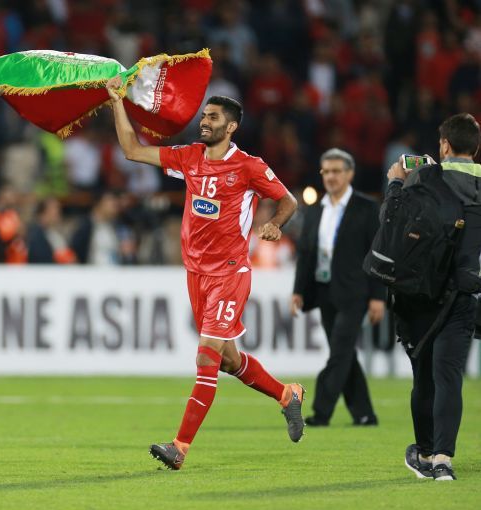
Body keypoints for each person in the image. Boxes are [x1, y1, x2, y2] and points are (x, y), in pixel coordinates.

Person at [105, 76, 304, 471]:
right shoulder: (189, 157)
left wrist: (275, 224)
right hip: (196, 274)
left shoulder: (249, 166)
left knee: (207, 355)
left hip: (230, 272)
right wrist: (115, 102)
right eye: (204, 116)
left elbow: (288, 201)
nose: (204, 121)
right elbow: (132, 149)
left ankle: (179, 447)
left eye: (213, 117)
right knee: (228, 360)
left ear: (231, 127)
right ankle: (287, 394)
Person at [388, 113, 481, 482]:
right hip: (464, 293)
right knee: (449, 377)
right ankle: (443, 460)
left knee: (424, 378)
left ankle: (425, 453)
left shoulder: (426, 177)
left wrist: (396, 183)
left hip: (421, 294)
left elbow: (393, 224)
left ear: (444, 145)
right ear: (476, 147)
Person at [291, 148, 385, 427]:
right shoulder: (315, 210)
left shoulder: (367, 207)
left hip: (355, 291)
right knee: (343, 354)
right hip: (323, 290)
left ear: (350, 174)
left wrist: (378, 296)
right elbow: (306, 254)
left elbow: (377, 253)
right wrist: (298, 290)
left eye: (336, 171)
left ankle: (320, 412)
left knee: (340, 351)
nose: (330, 177)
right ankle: (364, 414)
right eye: (326, 171)